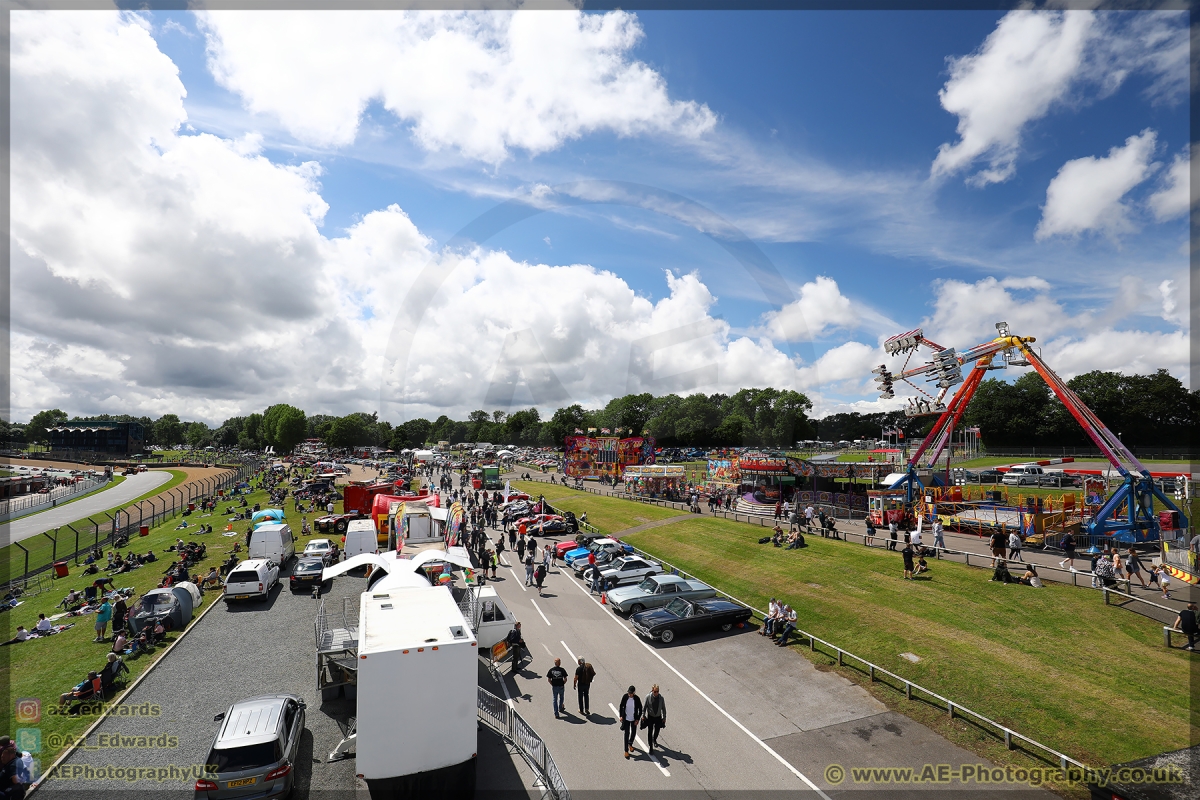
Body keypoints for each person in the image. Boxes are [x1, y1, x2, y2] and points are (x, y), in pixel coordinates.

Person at [619, 686, 642, 759]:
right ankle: (626, 750)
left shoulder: (637, 699)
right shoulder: (625, 697)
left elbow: (640, 709)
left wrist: (637, 719)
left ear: (634, 693)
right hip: (626, 719)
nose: (629, 694)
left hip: (633, 719)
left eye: (631, 693)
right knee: (626, 734)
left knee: (634, 732)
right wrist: (621, 716)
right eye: (628, 692)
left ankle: (630, 743)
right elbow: (621, 706)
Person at [644, 685, 667, 754]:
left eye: (657, 691)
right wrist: (643, 715)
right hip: (650, 717)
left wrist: (664, 717)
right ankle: (651, 747)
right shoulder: (648, 697)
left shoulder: (661, 698)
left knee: (657, 730)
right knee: (650, 732)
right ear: (652, 690)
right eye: (655, 691)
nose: (656, 693)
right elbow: (644, 707)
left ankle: (654, 739)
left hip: (658, 717)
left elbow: (663, 708)